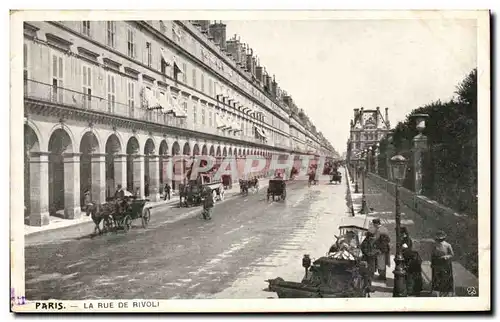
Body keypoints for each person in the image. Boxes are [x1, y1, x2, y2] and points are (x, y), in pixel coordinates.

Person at [400, 227, 423, 296]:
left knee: (410, 276)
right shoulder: (406, 239)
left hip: (410, 259)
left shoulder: (406, 240)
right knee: (413, 276)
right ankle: (414, 290)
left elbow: (404, 248)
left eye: (400, 234)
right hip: (411, 259)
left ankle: (412, 291)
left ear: (403, 233)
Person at [431, 230, 455, 297]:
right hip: (437, 263)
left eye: (441, 239)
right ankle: (437, 292)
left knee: (445, 278)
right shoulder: (434, 245)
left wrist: (446, 256)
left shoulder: (447, 245)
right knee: (437, 278)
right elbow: (432, 254)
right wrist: (432, 262)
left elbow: (452, 254)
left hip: (445, 263)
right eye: (438, 239)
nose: (439, 240)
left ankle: (446, 292)